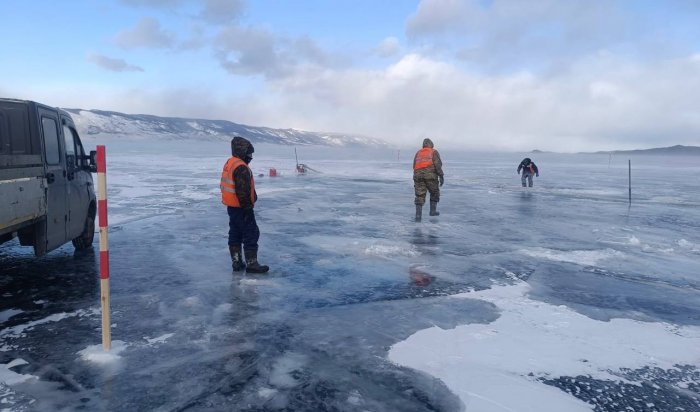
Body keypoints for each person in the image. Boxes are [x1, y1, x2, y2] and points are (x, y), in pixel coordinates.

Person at [220, 136, 269, 273]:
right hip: (242, 208)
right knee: (251, 232)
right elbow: (242, 191)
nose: (251, 156)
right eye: (249, 153)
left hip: (232, 207)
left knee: (235, 233)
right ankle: (251, 263)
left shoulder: (231, 162)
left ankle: (236, 262)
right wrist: (248, 209)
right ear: (242, 151)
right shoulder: (241, 167)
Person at [413, 138, 444, 222]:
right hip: (430, 175)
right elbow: (437, 165)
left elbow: (414, 165)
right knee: (434, 192)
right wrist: (441, 175)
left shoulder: (418, 152)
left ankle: (418, 216)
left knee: (419, 195)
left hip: (418, 175)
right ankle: (432, 211)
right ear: (431, 144)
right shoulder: (433, 152)